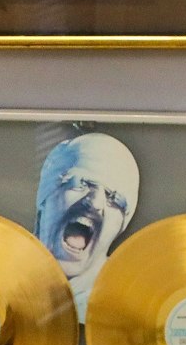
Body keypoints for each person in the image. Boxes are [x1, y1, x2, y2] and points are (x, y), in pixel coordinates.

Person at [34, 131, 139, 321]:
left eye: (114, 198)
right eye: (81, 183)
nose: (95, 203)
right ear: (45, 197)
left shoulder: (128, 312)